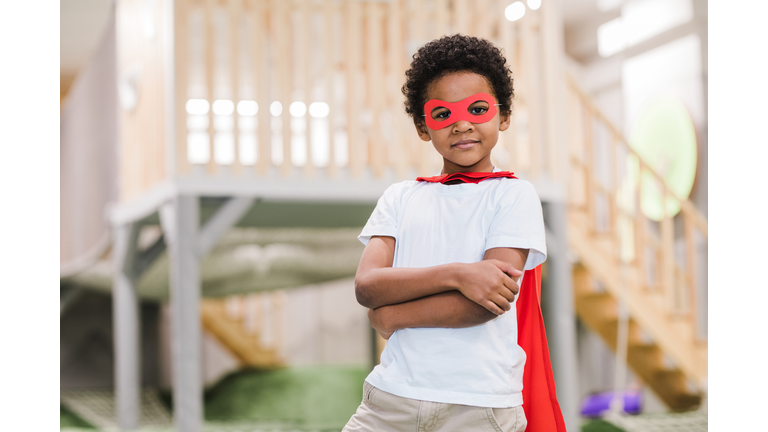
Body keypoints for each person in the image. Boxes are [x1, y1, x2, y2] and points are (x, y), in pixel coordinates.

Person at [343, 34, 564, 432]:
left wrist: (391, 314)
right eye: (443, 114)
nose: (462, 124)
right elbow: (367, 286)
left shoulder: (513, 195)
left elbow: (485, 304)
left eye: (478, 109)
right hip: (390, 400)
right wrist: (459, 274)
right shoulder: (400, 197)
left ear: (504, 115)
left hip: (478, 408)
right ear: (423, 127)